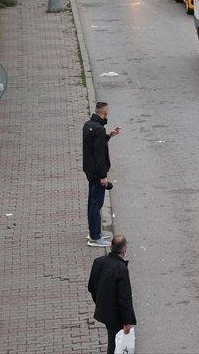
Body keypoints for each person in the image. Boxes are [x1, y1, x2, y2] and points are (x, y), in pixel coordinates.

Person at [87, 235, 137, 354]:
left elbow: (91, 287)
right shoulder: (121, 269)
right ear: (124, 250)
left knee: (113, 337)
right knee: (114, 343)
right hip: (115, 315)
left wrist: (99, 302)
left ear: (111, 247)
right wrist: (126, 323)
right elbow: (124, 299)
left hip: (103, 311)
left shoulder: (98, 261)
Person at [82, 101, 120, 247]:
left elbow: (94, 145)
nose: (107, 115)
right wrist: (103, 176)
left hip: (90, 171)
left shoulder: (88, 125)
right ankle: (95, 237)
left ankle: (94, 231)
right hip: (97, 173)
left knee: (92, 202)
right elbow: (99, 154)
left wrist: (109, 135)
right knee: (96, 204)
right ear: (104, 113)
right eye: (107, 113)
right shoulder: (97, 129)